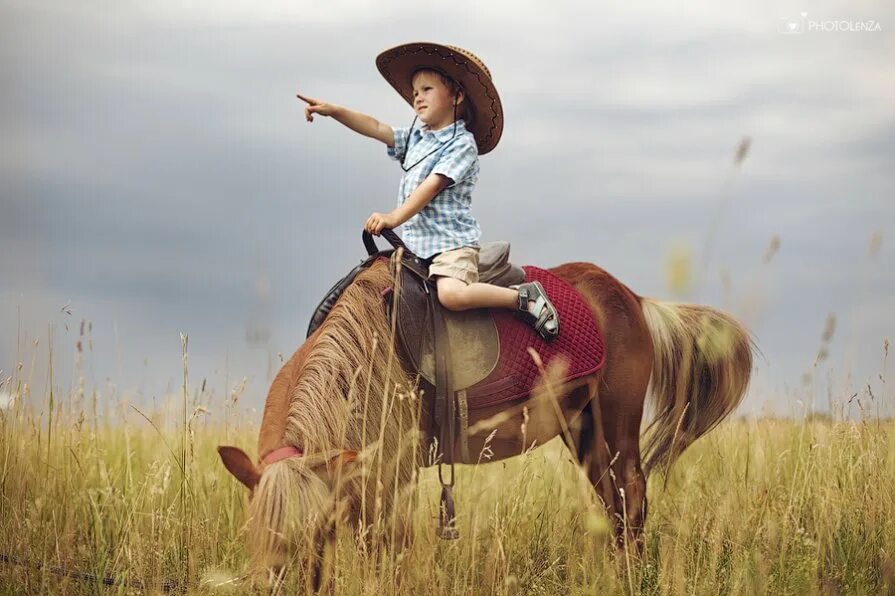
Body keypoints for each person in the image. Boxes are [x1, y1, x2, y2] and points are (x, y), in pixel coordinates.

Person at [297, 42, 559, 340]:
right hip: (415, 247)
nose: (417, 98)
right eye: (414, 93)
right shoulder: (416, 138)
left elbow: (431, 187)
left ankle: (523, 298)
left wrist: (392, 218)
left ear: (457, 96)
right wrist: (334, 110)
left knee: (451, 295)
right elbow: (375, 126)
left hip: (449, 246)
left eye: (426, 90)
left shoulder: (462, 145)